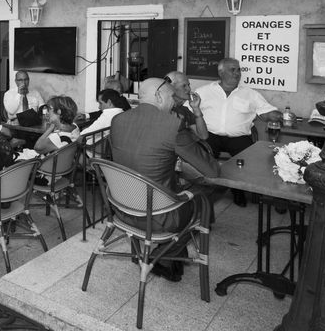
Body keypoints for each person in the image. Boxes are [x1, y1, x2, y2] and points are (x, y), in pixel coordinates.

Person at [110, 77, 219, 281]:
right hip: (159, 217)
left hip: (122, 208)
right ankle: (164, 253)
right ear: (159, 96)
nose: (173, 101)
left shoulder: (118, 120)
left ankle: (167, 259)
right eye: (171, 96)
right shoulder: (172, 125)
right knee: (206, 196)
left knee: (178, 186)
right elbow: (211, 170)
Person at [195, 58, 282, 207]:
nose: (237, 73)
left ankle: (238, 191)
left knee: (248, 160)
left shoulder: (250, 94)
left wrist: (275, 115)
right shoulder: (203, 91)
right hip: (209, 135)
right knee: (200, 157)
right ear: (221, 73)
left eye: (238, 70)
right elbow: (188, 110)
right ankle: (204, 191)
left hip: (239, 137)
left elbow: (267, 112)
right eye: (232, 70)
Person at [164, 71, 209, 139]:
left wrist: (196, 109)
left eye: (189, 85)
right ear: (171, 87)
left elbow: (203, 136)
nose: (189, 89)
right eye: (184, 86)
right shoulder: (162, 109)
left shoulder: (185, 111)